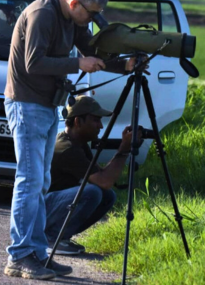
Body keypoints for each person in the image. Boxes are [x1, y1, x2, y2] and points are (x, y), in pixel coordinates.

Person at [3, 0, 134, 280]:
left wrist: (124, 64)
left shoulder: (73, 19)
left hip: (47, 105)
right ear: (74, 3)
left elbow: (93, 53)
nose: (90, 21)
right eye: (90, 14)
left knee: (41, 182)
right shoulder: (43, 14)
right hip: (26, 105)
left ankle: (37, 253)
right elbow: (33, 62)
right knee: (29, 181)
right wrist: (77, 64)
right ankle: (20, 256)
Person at [45, 96, 141, 255]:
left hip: (49, 206)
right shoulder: (67, 148)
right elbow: (104, 181)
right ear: (77, 122)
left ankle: (62, 236)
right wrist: (123, 150)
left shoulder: (77, 143)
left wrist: (124, 148)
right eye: (96, 120)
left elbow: (101, 176)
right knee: (93, 192)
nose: (101, 126)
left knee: (107, 196)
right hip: (41, 209)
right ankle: (51, 237)